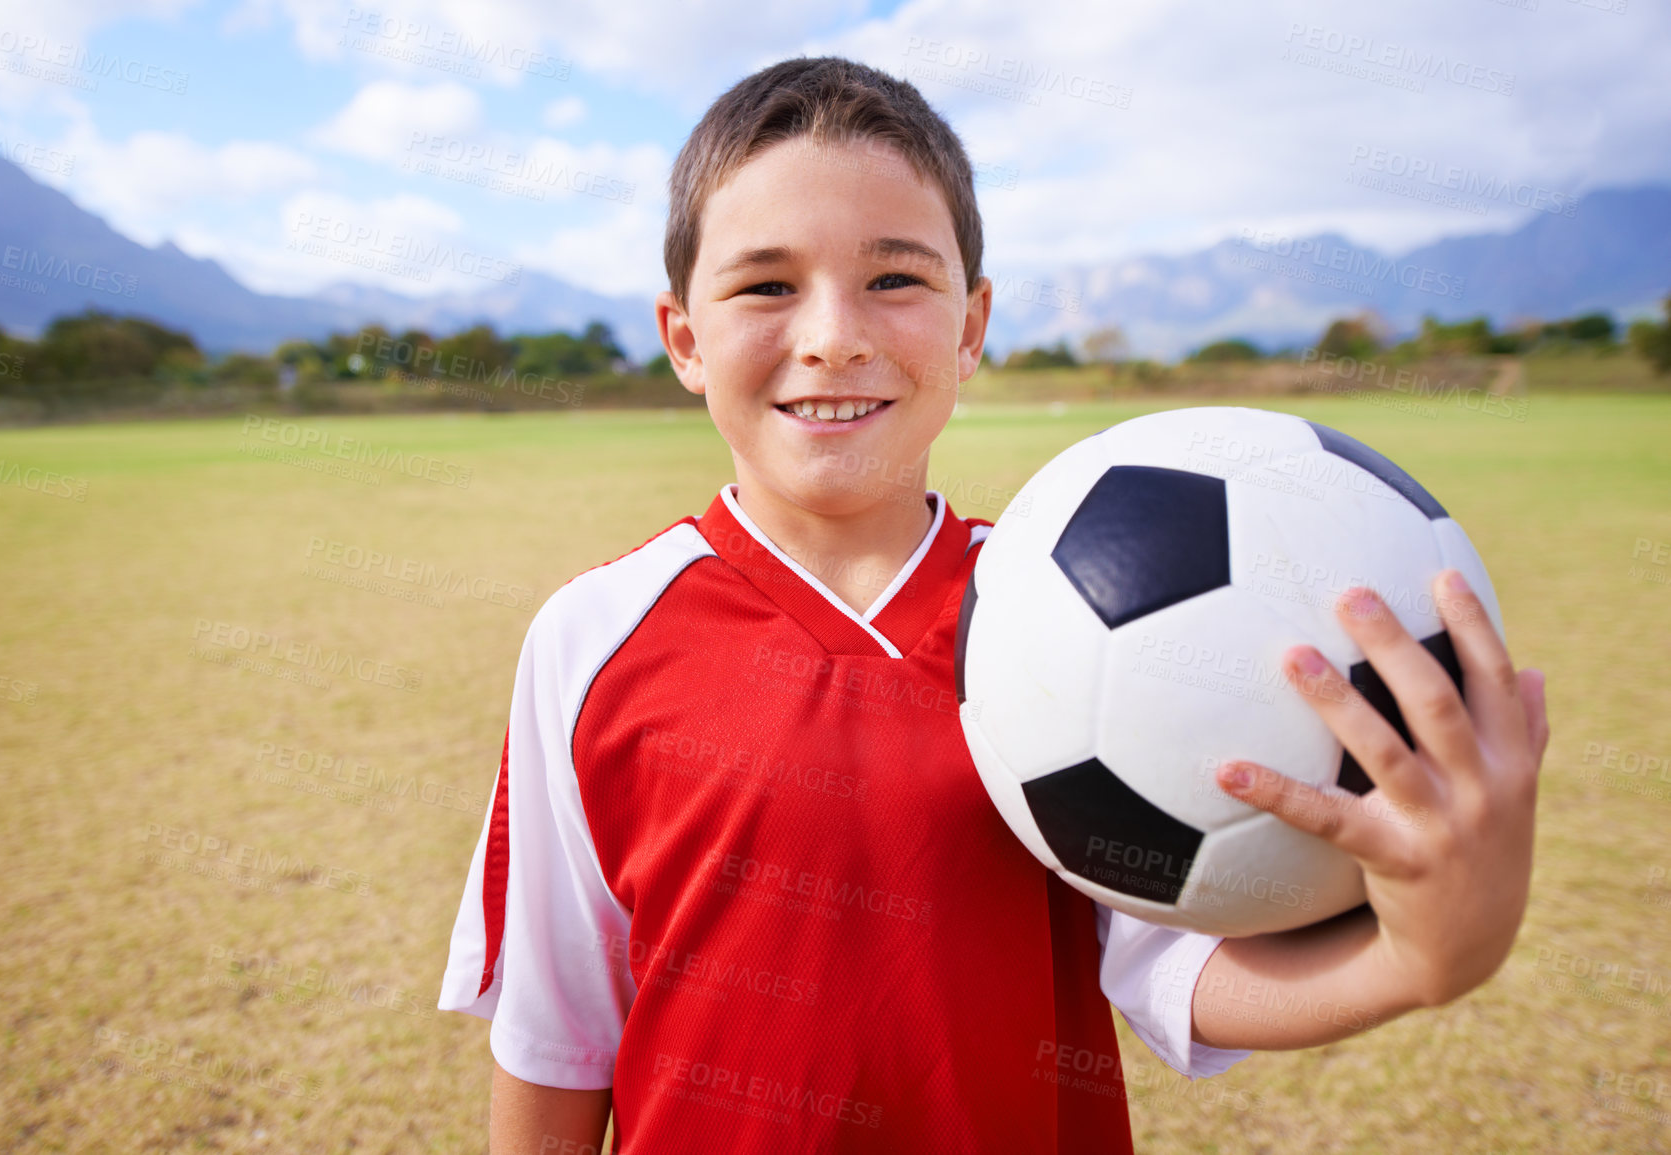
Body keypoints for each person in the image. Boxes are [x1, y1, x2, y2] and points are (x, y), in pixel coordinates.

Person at [438, 56, 1550, 1154]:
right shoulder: (591, 636)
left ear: (971, 327)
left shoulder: (1057, 623)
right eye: (766, 284)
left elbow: (1174, 963)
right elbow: (560, 1028)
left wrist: (1423, 955)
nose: (834, 335)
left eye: (895, 279)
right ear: (684, 337)